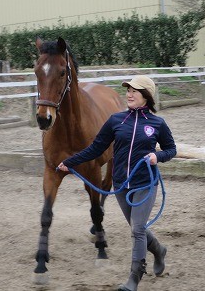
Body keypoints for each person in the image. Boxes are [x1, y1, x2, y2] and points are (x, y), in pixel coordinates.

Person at [57, 75, 177, 291]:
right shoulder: (116, 120)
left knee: (138, 229)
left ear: (146, 96)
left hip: (145, 184)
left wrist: (157, 157)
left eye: (134, 91)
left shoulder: (157, 124)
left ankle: (134, 277)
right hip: (122, 185)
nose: (129, 94)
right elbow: (95, 148)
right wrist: (69, 162)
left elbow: (171, 149)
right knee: (136, 227)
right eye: (128, 90)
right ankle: (159, 250)